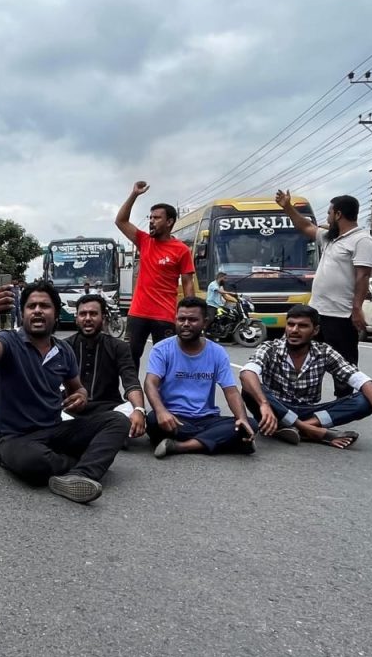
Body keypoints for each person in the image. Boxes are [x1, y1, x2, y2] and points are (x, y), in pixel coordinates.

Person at [0, 280, 131, 504]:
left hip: (53, 432)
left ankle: (79, 475)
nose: (37, 310)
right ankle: (88, 464)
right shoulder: (8, 342)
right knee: (34, 462)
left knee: (118, 421)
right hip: (13, 439)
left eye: (44, 306)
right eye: (31, 306)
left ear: (56, 314)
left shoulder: (63, 350)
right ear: (23, 313)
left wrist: (81, 396)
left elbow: (77, 389)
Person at [239, 304, 372, 451]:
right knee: (249, 388)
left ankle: (299, 429)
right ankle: (309, 431)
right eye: (291, 324)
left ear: (315, 330)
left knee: (365, 401)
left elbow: (363, 381)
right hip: (274, 410)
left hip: (310, 413)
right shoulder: (270, 347)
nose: (294, 330)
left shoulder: (324, 352)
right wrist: (265, 404)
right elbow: (247, 373)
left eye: (302, 326)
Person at [275, 190, 372, 397]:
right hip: (316, 313)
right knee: (305, 359)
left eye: (329, 213)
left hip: (340, 316)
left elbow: (362, 277)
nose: (327, 218)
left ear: (338, 214)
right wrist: (287, 207)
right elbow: (304, 226)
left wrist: (356, 309)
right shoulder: (330, 238)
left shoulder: (361, 241)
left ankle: (344, 404)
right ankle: (304, 401)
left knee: (344, 366)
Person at [143, 297, 257, 458]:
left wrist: (241, 418)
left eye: (193, 319)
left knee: (249, 423)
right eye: (181, 319)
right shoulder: (161, 349)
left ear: (205, 322)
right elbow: (150, 383)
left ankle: (180, 446)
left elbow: (231, 391)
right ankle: (223, 441)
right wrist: (161, 411)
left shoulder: (217, 352)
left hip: (206, 418)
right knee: (153, 419)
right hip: (173, 417)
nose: (186, 324)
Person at [114, 180, 196, 371]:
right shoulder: (144, 241)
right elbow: (120, 221)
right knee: (129, 358)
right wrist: (134, 194)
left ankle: (164, 398)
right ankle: (133, 398)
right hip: (137, 313)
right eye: (150, 217)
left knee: (167, 362)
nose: (151, 221)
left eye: (157, 218)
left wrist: (190, 315)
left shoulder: (181, 250)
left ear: (169, 222)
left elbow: (188, 284)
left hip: (165, 316)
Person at [63, 295, 146, 438]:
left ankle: (84, 433)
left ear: (104, 317)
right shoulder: (64, 347)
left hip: (109, 408)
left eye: (93, 314)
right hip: (72, 409)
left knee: (133, 412)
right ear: (76, 319)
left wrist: (139, 410)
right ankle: (104, 434)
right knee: (49, 414)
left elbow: (131, 382)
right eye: (83, 314)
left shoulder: (119, 347)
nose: (87, 318)